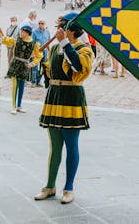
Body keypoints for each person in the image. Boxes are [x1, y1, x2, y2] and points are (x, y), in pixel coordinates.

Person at [35, 12, 94, 205]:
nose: (58, 29)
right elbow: (48, 71)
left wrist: (65, 43)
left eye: (61, 26)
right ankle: (50, 186)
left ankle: (69, 188)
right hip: (54, 96)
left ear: (70, 29)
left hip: (71, 98)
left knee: (71, 145)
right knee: (55, 145)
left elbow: (77, 67)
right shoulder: (53, 49)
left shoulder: (85, 49)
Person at [0, 25, 42, 114]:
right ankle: (13, 106)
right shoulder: (16, 39)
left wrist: (32, 64)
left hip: (25, 65)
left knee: (22, 86)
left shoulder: (34, 44)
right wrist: (1, 34)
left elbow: (39, 56)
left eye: (22, 31)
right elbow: (6, 40)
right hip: (15, 63)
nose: (21, 33)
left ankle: (19, 106)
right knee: (15, 85)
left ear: (27, 33)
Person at [31, 18, 51, 87]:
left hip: (45, 51)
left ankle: (38, 81)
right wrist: (32, 53)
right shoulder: (34, 32)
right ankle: (33, 82)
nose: (40, 25)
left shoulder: (47, 32)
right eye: (39, 23)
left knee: (43, 66)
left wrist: (50, 51)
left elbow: (48, 42)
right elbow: (32, 43)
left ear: (45, 24)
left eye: (42, 23)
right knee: (35, 67)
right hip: (37, 51)